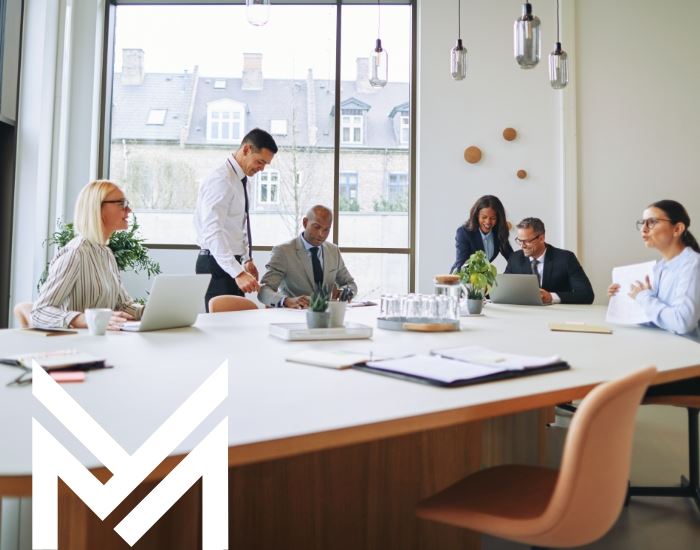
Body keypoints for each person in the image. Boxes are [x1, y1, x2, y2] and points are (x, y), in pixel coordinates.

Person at [610, 201, 700, 395]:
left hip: (688, 364)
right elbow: (658, 317)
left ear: (677, 229)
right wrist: (623, 297)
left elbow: (682, 322)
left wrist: (644, 297)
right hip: (665, 353)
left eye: (652, 222)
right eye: (642, 223)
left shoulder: (693, 265)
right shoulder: (660, 266)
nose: (643, 229)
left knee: (612, 379)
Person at [31, 180, 143, 329]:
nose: (129, 209)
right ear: (97, 208)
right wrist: (86, 319)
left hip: (103, 339)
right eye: (122, 203)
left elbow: (122, 306)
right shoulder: (75, 254)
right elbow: (39, 312)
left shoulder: (107, 254)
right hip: (77, 342)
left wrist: (152, 312)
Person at [194, 128, 278, 311]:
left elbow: (239, 224)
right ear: (246, 149)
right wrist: (238, 272)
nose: (262, 169)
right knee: (222, 325)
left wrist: (246, 259)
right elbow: (212, 231)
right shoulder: (221, 180)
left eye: (266, 164)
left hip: (231, 262)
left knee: (238, 322)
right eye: (260, 161)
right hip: (216, 264)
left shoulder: (242, 181)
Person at [258, 205, 357, 308]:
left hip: (328, 314)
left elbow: (350, 283)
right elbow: (263, 291)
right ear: (305, 223)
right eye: (317, 227)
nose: (321, 234)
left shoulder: (333, 251)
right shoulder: (283, 251)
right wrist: (286, 301)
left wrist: (347, 291)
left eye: (326, 230)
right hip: (294, 314)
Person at [505, 217, 594, 304]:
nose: (522, 246)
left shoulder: (566, 258)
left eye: (527, 241)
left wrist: (551, 297)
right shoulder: (514, 258)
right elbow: (504, 290)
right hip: (524, 312)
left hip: (556, 312)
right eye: (520, 241)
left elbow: (587, 294)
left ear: (541, 238)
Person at [451, 195, 513, 273]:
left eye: (493, 218)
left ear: (498, 218)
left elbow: (512, 258)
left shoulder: (498, 232)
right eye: (484, 217)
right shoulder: (464, 233)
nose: (488, 222)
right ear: (477, 215)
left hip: (482, 278)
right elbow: (462, 266)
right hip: (461, 276)